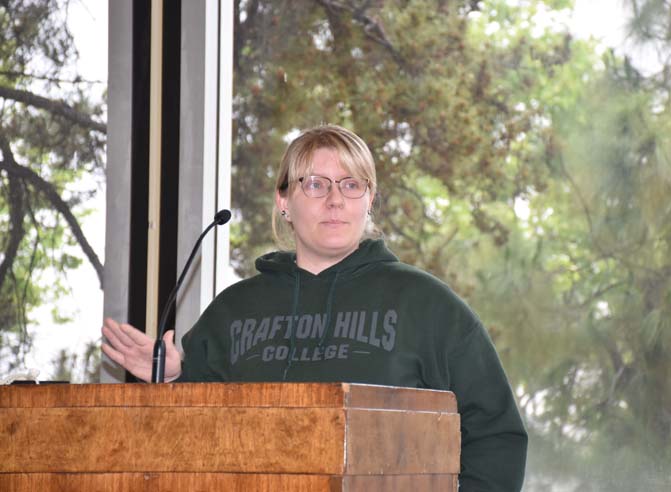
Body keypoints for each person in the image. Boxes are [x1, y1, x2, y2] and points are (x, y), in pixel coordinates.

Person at [102, 124, 527, 491]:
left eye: (351, 184)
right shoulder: (236, 311)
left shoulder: (428, 305)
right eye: (316, 184)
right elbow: (184, 441)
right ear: (284, 201)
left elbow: (495, 433)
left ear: (369, 199)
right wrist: (175, 378)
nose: (335, 199)